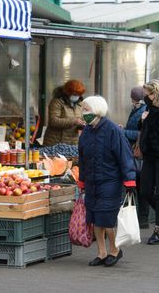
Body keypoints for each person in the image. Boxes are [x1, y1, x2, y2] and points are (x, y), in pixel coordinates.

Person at [78, 96, 136, 267]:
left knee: (106, 218)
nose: (83, 112)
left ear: (97, 110)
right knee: (95, 216)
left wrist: (130, 180)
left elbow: (125, 156)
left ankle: (115, 249)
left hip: (110, 181)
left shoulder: (112, 130)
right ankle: (101, 252)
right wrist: (82, 180)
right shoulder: (86, 132)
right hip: (92, 182)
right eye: (83, 109)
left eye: (86, 109)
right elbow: (82, 158)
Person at [121, 86, 149, 228]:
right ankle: (140, 219)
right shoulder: (137, 110)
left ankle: (142, 219)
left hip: (139, 154)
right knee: (138, 185)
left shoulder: (143, 111)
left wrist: (124, 132)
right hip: (135, 152)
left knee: (140, 185)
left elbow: (139, 133)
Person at [140, 79, 159, 245]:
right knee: (145, 191)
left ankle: (158, 230)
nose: (146, 96)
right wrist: (144, 121)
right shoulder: (148, 110)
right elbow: (146, 133)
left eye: (149, 94)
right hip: (148, 157)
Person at [43, 79, 86, 146]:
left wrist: (82, 124)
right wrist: (74, 121)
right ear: (68, 92)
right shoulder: (57, 102)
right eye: (75, 94)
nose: (77, 96)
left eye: (79, 94)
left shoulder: (80, 104)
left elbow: (81, 119)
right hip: (56, 142)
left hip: (72, 142)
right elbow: (53, 121)